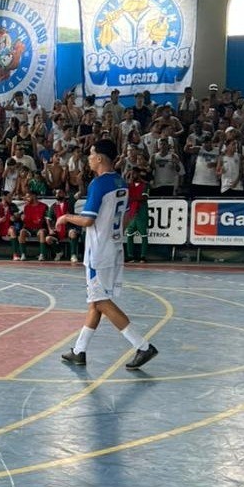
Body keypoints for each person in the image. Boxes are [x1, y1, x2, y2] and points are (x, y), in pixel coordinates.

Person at [54, 139, 158, 371]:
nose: (88, 158)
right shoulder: (120, 181)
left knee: (100, 301)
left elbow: (88, 219)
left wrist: (67, 217)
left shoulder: (99, 184)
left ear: (99, 158)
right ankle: (79, 351)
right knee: (95, 303)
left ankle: (142, 346)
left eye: (91, 154)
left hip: (98, 251)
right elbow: (128, 216)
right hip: (114, 246)